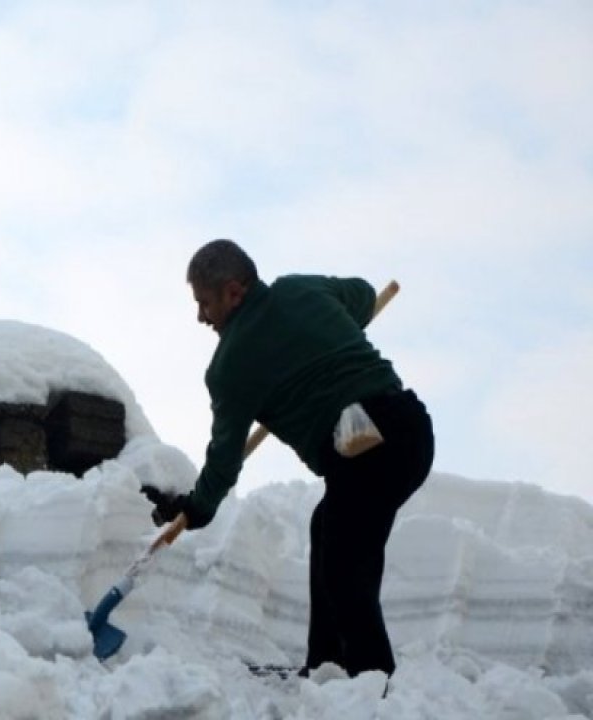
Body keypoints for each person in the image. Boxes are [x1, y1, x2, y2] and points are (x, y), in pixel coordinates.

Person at [148, 239, 434, 678]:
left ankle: (370, 686)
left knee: (345, 567)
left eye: (204, 303)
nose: (201, 316)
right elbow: (362, 295)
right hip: (410, 428)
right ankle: (326, 668)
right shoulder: (301, 289)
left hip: (367, 450)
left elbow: (224, 457)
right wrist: (324, 332)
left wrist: (197, 508)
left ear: (233, 292)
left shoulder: (230, 366)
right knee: (329, 528)